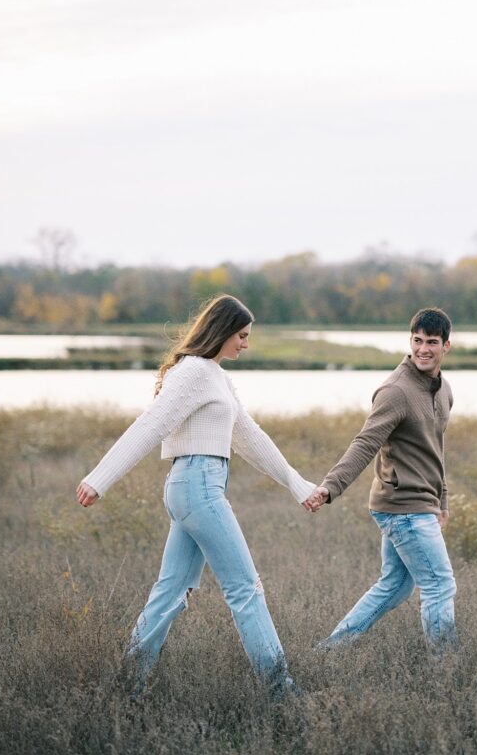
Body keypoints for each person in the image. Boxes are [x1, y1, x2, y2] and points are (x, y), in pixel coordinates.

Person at [76, 294, 316, 698]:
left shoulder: (216, 376)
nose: (245, 343)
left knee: (171, 592)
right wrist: (101, 478)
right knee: (245, 588)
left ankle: (128, 683)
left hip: (197, 487)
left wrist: (296, 483)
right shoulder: (193, 373)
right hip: (198, 486)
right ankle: (281, 691)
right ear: (221, 331)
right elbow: (152, 424)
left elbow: (250, 437)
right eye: (241, 335)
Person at [306, 307, 457, 651]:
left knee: (394, 586)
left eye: (431, 342)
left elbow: (436, 449)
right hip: (402, 506)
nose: (423, 349)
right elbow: (365, 443)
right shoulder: (395, 391)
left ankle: (329, 650)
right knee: (439, 586)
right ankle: (449, 669)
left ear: (446, 345)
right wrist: (330, 487)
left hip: (420, 503)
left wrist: (442, 500)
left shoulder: (444, 389)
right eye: (417, 341)